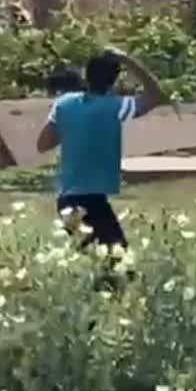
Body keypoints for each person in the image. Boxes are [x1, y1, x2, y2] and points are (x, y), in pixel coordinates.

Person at [36, 48, 164, 249]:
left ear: (86, 76)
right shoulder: (116, 107)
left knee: (99, 263)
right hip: (92, 201)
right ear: (114, 81)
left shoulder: (64, 104)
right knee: (118, 262)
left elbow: (42, 144)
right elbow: (156, 95)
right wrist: (128, 60)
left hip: (66, 198)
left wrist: (75, 128)